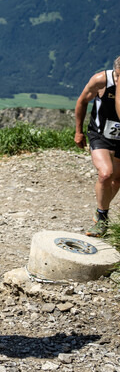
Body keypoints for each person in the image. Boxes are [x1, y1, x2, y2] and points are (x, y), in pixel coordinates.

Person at [74, 56, 120, 237]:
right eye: (118, 76)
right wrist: (79, 131)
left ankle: (102, 209)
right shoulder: (101, 80)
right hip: (101, 134)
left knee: (117, 180)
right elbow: (82, 101)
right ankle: (102, 217)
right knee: (105, 173)